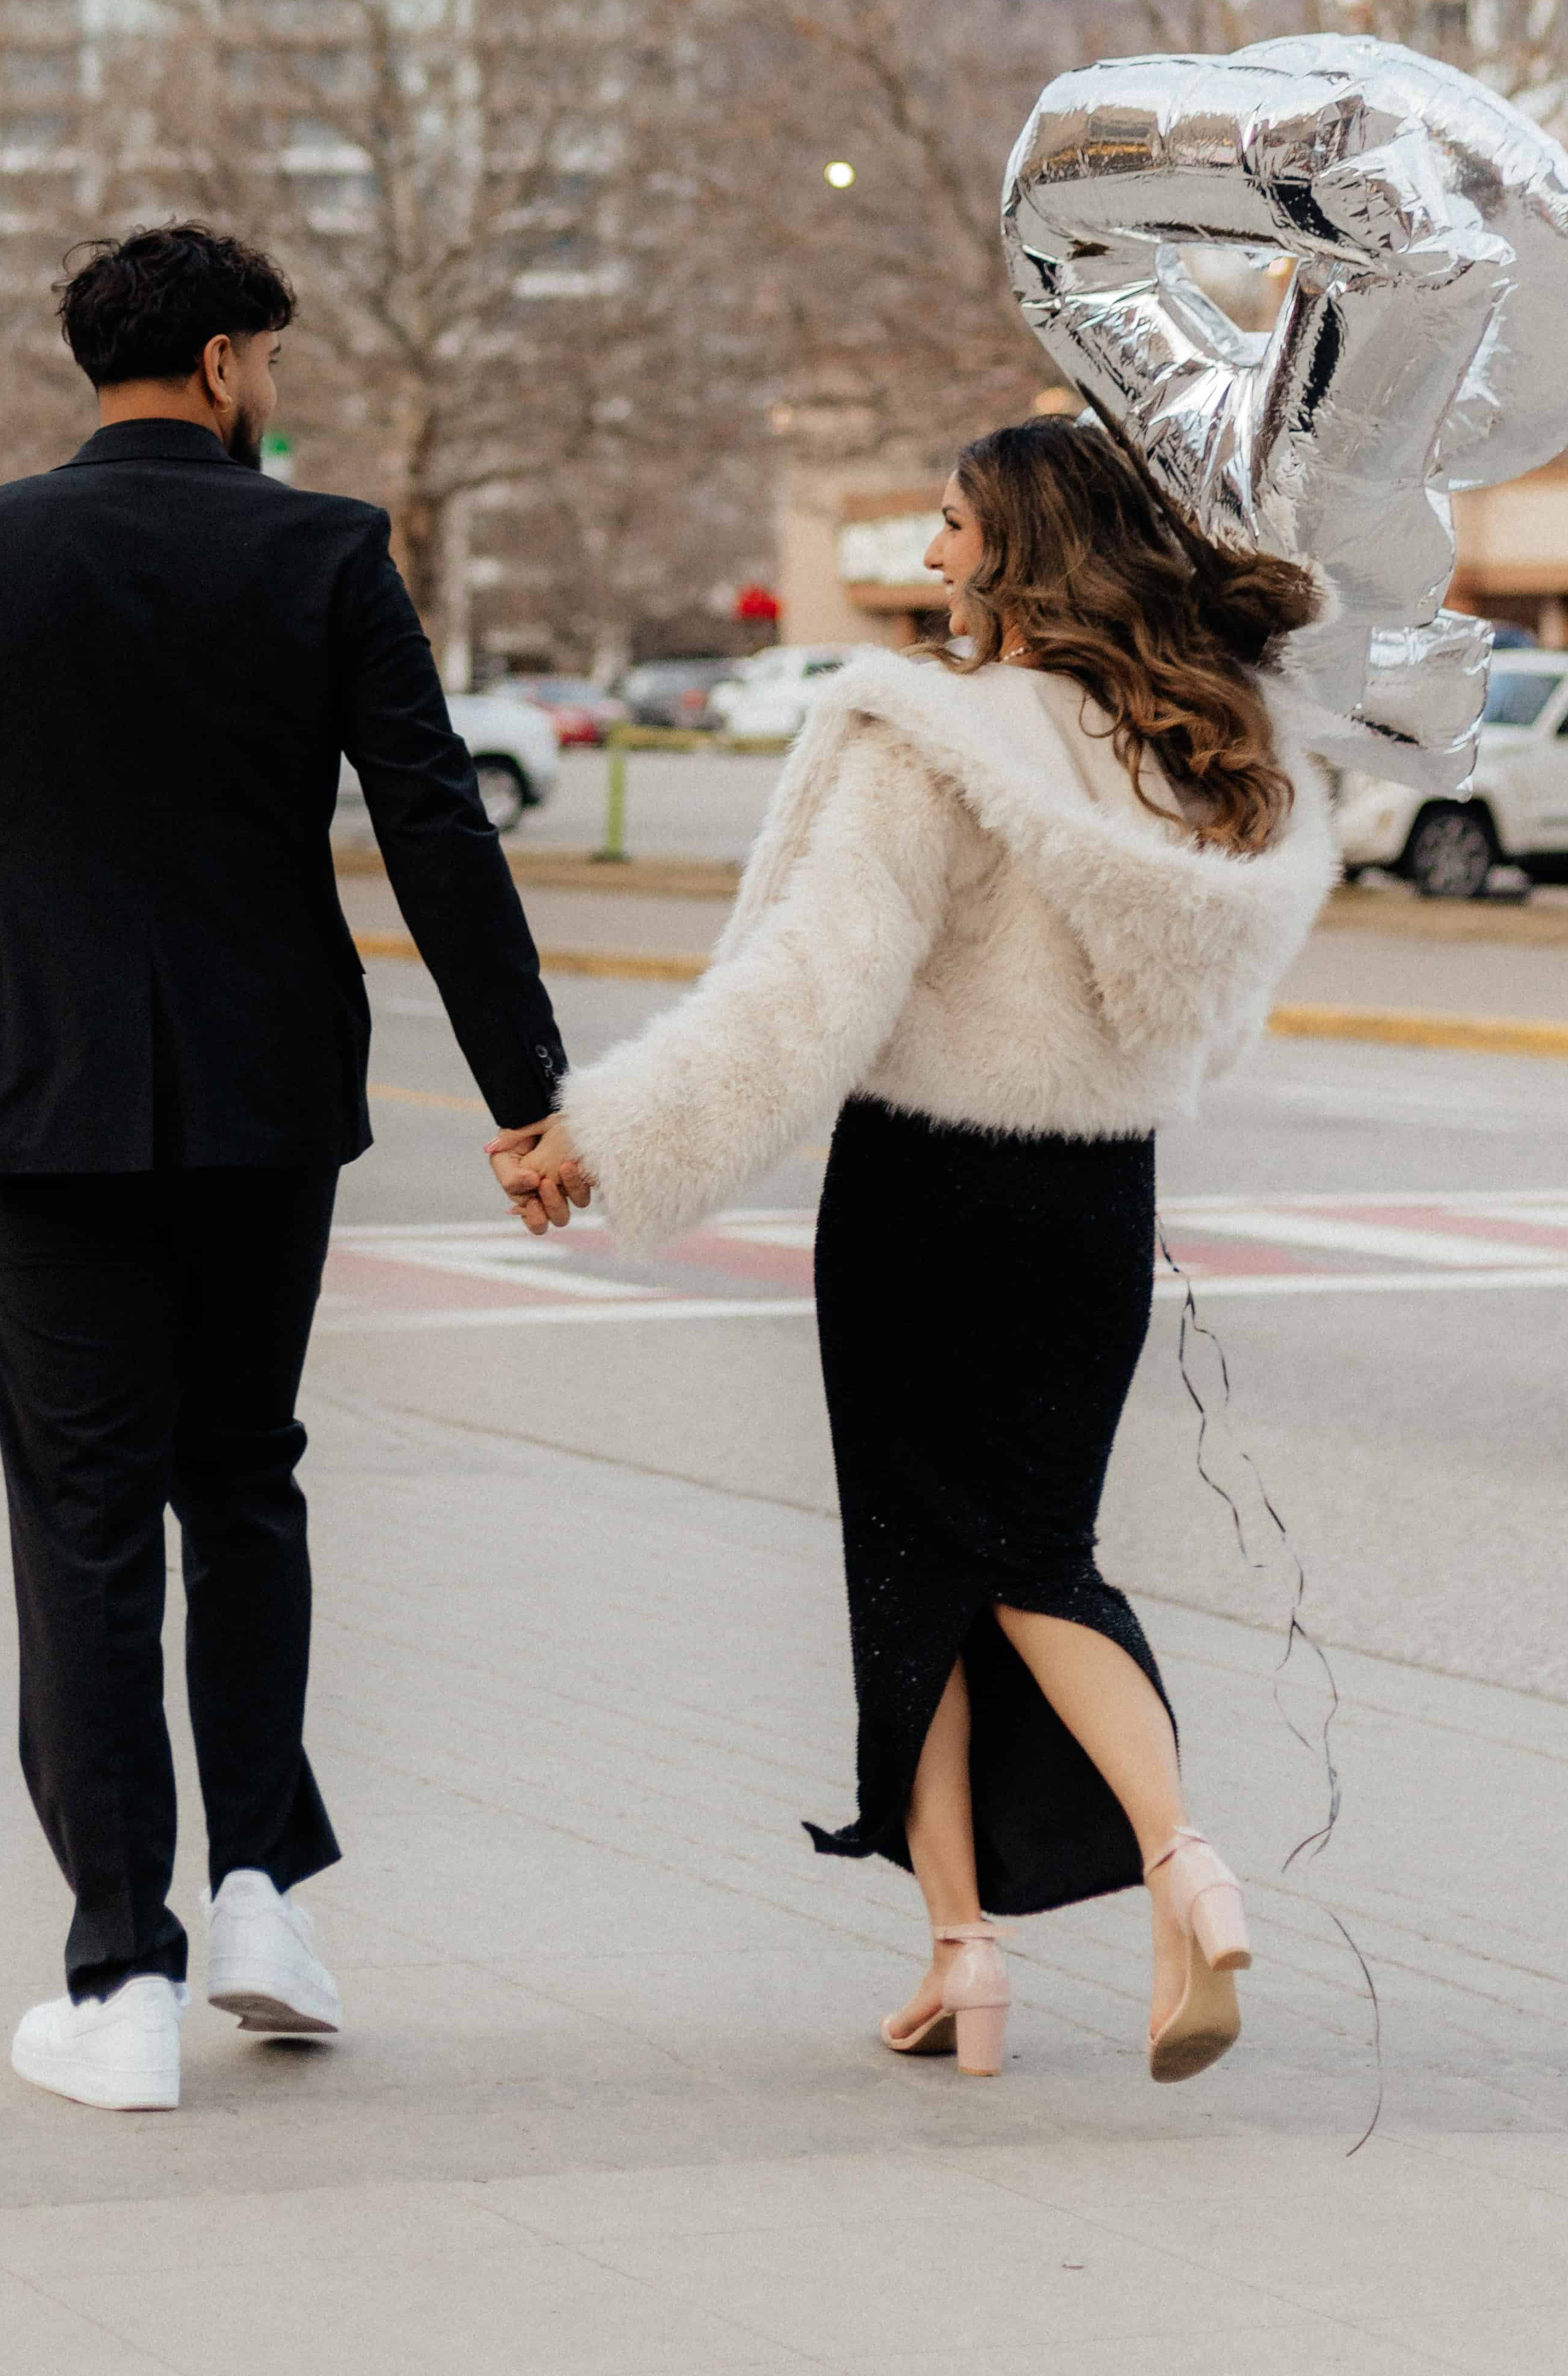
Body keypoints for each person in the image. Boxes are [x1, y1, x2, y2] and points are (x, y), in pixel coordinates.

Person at [492, 416, 1334, 2087]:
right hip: (1095, 1197)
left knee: (926, 1557)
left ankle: (1070, 1910)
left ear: (1016, 548)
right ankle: (1079, 1907)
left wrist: (611, 1133)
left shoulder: (922, 737)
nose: (927, 554)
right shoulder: (1177, 747)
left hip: (926, 1193)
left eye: (950, 526)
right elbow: (1202, 1022)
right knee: (1039, 1543)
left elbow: (811, 989)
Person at [0, 221, 568, 2116]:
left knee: (87, 1517)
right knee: (245, 1480)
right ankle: (257, 1893)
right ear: (233, 362)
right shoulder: (324, 549)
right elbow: (434, 827)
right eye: (278, 357)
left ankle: (121, 1975)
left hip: (31, 1103)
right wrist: (530, 1088)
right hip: (265, 1098)